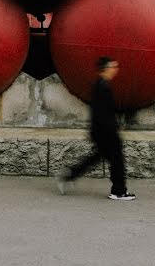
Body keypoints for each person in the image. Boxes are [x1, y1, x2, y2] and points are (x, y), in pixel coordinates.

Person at [57, 56, 136, 200]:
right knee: (117, 160)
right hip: (106, 131)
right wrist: (112, 130)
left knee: (96, 158)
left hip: (101, 131)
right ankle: (118, 191)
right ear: (105, 69)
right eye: (113, 67)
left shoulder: (100, 85)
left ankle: (68, 175)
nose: (115, 70)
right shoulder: (103, 87)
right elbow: (103, 113)